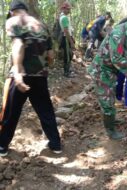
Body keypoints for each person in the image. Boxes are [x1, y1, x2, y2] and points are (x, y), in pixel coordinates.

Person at [0, 1, 62, 157]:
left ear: (13, 11)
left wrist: (18, 71)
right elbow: (50, 55)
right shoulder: (41, 25)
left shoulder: (14, 21)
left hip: (21, 76)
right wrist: (42, 68)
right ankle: (55, 144)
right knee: (45, 110)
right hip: (40, 77)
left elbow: (18, 44)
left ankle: (2, 146)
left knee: (10, 112)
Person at [88, 11, 127, 140]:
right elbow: (116, 58)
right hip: (102, 70)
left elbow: (125, 55)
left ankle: (111, 121)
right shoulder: (118, 34)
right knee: (107, 102)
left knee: (112, 97)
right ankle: (110, 131)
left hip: (111, 70)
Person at [59, 2, 75, 77]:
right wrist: (71, 42)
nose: (69, 11)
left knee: (69, 54)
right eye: (68, 9)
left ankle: (67, 69)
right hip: (66, 38)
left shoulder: (62, 16)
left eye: (69, 9)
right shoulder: (64, 18)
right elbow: (66, 31)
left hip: (66, 37)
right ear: (64, 9)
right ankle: (66, 72)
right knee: (68, 55)